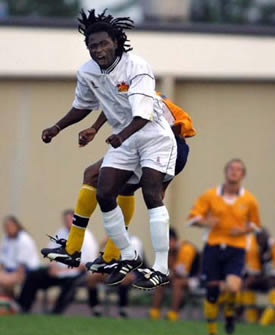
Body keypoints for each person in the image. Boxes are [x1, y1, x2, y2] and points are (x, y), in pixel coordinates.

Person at [40, 9, 178, 290]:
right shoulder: (87, 72)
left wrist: (119, 136)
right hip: (124, 139)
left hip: (153, 136)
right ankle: (126, 256)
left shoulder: (136, 66)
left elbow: (142, 116)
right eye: (92, 46)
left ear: (116, 41)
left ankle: (161, 267)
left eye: (103, 43)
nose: (98, 50)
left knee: (152, 193)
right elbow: (83, 105)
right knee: (104, 192)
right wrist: (57, 127)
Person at [41, 94, 194, 276]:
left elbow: (120, 104)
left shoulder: (134, 89)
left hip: (163, 144)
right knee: (121, 187)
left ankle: (75, 248)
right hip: (166, 145)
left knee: (93, 175)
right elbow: (113, 104)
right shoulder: (126, 89)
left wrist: (88, 128)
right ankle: (109, 256)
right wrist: (94, 128)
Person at [187, 159, 261, 335]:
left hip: (236, 248)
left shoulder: (249, 199)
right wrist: (206, 221)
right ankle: (212, 331)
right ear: (225, 172)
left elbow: (256, 225)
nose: (234, 172)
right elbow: (192, 218)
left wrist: (243, 230)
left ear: (242, 175)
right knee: (212, 290)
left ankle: (229, 312)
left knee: (233, 286)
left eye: (238, 169)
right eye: (231, 168)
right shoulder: (210, 195)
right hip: (213, 247)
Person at [18, 210, 98, 314]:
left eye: (70, 220)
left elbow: (86, 264)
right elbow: (51, 251)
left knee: (70, 285)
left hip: (75, 272)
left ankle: (56, 312)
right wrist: (53, 266)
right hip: (57, 271)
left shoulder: (87, 237)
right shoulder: (61, 232)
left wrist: (65, 271)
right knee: (34, 276)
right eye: (66, 220)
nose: (67, 222)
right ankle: (23, 307)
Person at [237, 228, 275, 326]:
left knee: (274, 292)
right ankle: (251, 320)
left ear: (267, 237)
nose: (259, 242)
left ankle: (269, 321)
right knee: (247, 286)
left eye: (261, 239)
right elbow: (254, 273)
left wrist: (257, 279)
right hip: (267, 280)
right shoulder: (256, 249)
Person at [148, 227, 200, 321]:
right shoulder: (168, 251)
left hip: (196, 279)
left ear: (172, 240)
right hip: (180, 277)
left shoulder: (186, 249)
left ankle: (173, 314)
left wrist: (170, 258)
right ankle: (154, 312)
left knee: (177, 283)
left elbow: (182, 273)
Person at [87, 234, 143, 318]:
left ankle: (123, 309)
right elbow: (101, 261)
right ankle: (95, 308)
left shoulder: (134, 241)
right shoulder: (111, 241)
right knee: (92, 277)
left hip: (132, 271)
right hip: (114, 270)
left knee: (123, 277)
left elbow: (134, 264)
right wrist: (102, 245)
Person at [0, 216, 39, 302]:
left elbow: (22, 266)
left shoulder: (24, 239)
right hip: (11, 270)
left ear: (16, 226)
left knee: (4, 281)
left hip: (27, 271)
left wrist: (9, 277)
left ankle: (13, 304)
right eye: (6, 227)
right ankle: (11, 303)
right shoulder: (6, 238)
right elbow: (3, 260)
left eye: (10, 226)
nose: (8, 229)